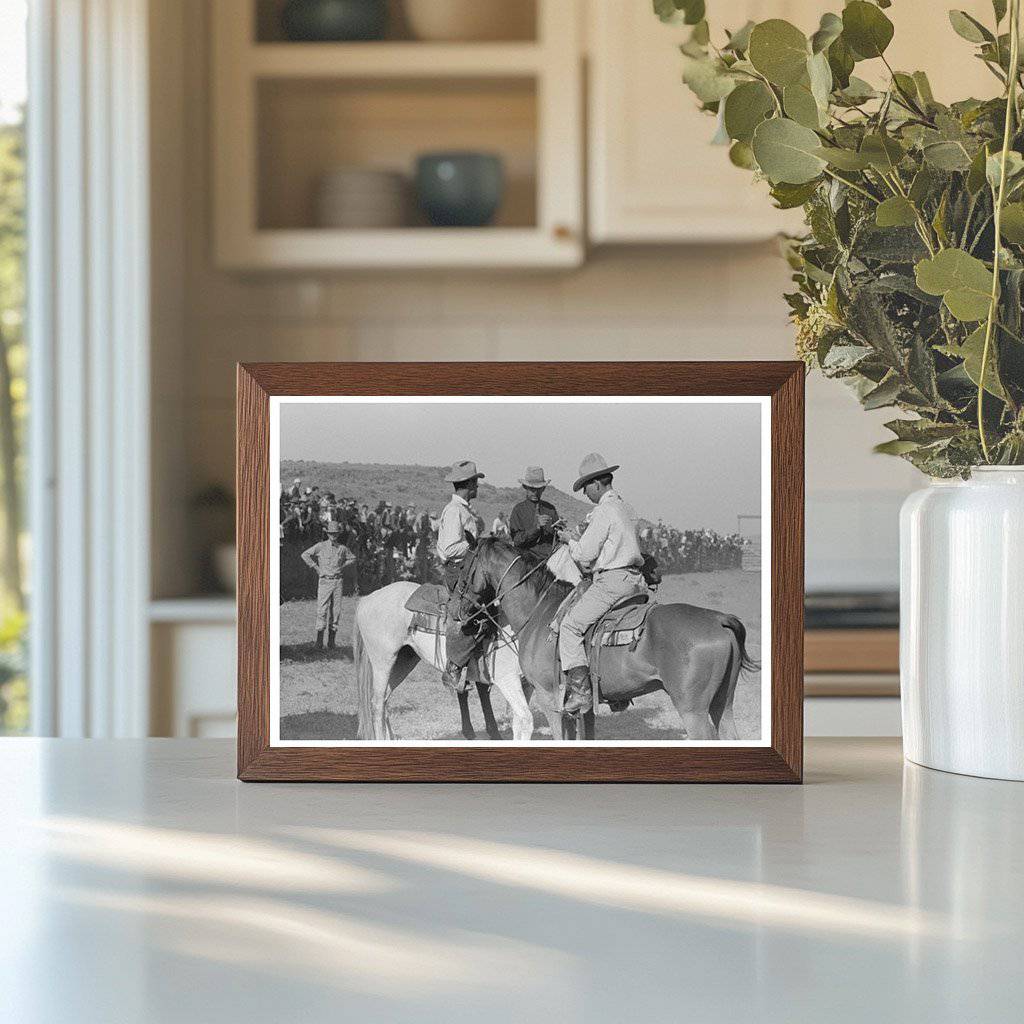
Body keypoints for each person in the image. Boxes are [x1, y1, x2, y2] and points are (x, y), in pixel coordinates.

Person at [556, 453, 645, 715]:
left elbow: (584, 555)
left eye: (585, 487)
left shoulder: (604, 510)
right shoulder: (626, 508)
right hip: (635, 582)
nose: (585, 493)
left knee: (571, 626)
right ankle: (619, 689)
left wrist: (567, 540)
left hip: (612, 581)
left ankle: (581, 691)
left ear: (596, 484)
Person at [436, 459, 486, 691]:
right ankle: (454, 669)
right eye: (475, 481)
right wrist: (475, 548)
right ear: (469, 484)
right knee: (471, 613)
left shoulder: (463, 510)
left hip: (468, 570)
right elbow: (448, 549)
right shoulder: (454, 510)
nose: (477, 486)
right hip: (459, 572)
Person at [301, 521, 356, 650]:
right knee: (322, 610)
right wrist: (316, 567)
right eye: (331, 534)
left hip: (337, 581)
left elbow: (352, 558)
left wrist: (343, 566)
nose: (333, 536)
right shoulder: (320, 546)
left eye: (335, 534)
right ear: (327, 534)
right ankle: (319, 642)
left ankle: (331, 642)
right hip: (325, 581)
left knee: (335, 611)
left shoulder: (342, 548)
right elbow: (305, 555)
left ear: (338, 534)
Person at [509, 465, 560, 560]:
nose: (535, 493)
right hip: (527, 561)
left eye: (538, 489)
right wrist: (536, 528)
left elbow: (557, 538)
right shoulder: (518, 510)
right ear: (525, 487)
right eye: (532, 489)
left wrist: (561, 530)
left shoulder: (550, 509)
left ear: (543, 489)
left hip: (550, 559)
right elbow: (517, 540)